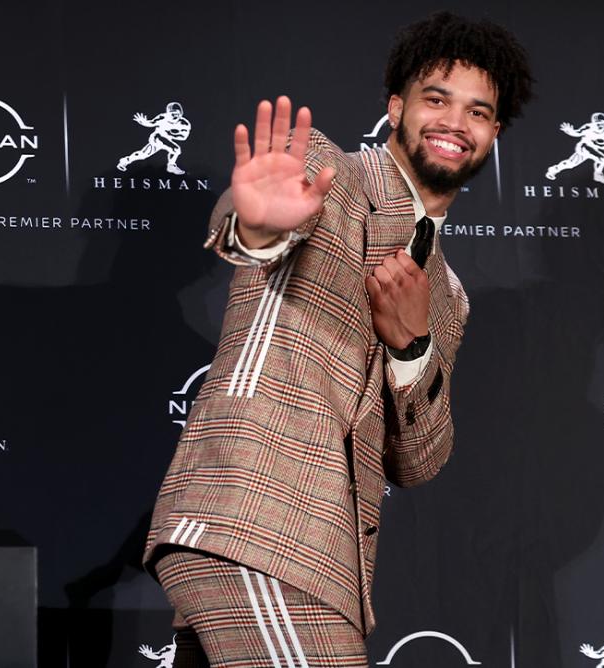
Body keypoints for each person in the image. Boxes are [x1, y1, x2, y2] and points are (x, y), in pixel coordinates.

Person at [143, 12, 533, 665]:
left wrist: (412, 349)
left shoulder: (448, 296)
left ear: (493, 133)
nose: (454, 123)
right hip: (257, 523)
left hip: (327, 562)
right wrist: (259, 226)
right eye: (436, 99)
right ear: (395, 107)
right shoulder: (334, 172)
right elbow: (261, 226)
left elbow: (419, 461)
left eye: (477, 111)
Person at [117, 102, 192, 175]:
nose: (175, 116)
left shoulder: (184, 124)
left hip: (167, 140)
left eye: (177, 114)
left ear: (181, 114)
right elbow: (151, 123)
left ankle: (125, 161)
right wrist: (143, 122)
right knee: (175, 149)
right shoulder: (162, 118)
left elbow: (183, 137)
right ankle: (171, 166)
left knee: (143, 155)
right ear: (168, 113)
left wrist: (171, 134)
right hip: (157, 137)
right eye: (172, 113)